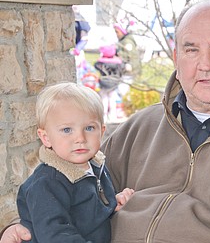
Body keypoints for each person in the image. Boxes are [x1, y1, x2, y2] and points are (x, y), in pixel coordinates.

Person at [2, 0, 210, 243]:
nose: (205, 65)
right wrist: (22, 227)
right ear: (176, 57)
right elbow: (65, 193)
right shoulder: (137, 130)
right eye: (191, 50)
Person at [13, 82, 134, 243]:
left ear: (102, 131)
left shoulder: (96, 166)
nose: (80, 139)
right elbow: (55, 235)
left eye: (89, 128)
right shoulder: (46, 183)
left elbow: (87, 212)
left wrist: (113, 204)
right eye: (67, 130)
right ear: (46, 137)